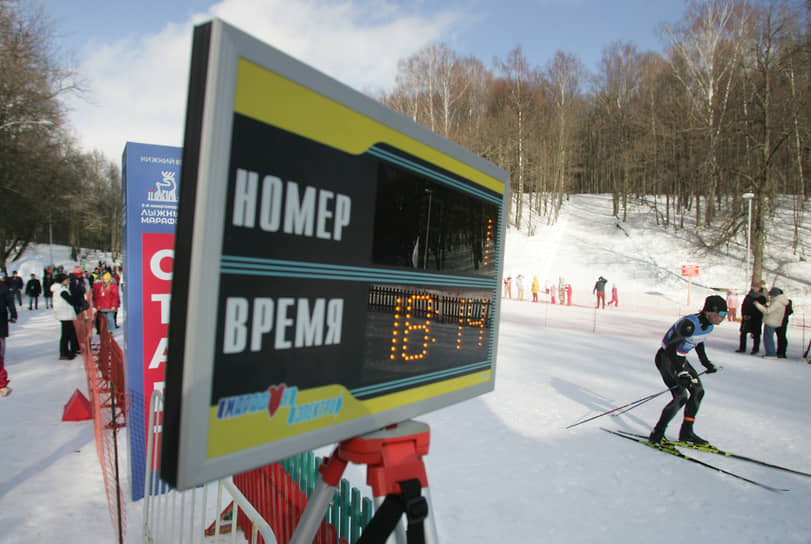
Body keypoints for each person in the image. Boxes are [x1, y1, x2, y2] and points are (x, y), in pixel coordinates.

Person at [648, 295, 726, 445]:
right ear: (709, 312)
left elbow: (698, 342)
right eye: (721, 314)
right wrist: (680, 371)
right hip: (666, 358)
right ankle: (657, 434)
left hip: (679, 359)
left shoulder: (709, 325)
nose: (723, 318)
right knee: (680, 396)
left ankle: (686, 433)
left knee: (698, 391)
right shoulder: (688, 324)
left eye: (725, 314)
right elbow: (671, 349)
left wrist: (706, 363)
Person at [754, 287, 789, 360]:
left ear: (775, 295)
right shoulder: (781, 301)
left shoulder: (777, 302)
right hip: (775, 321)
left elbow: (767, 311)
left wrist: (758, 305)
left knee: (768, 338)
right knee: (768, 337)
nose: (770, 296)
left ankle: (771, 353)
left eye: (771, 295)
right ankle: (770, 352)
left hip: (771, 321)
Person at [52, 273, 79, 360]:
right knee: (67, 335)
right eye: (67, 279)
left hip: (64, 314)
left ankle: (71, 350)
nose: (68, 281)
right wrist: (78, 304)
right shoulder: (62, 290)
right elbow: (70, 300)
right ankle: (65, 353)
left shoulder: (60, 289)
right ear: (62, 281)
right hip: (65, 315)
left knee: (68, 334)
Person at [0, 273, 18, 397]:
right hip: (1, 317)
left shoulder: (4, 289)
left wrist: (13, 314)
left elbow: (10, 302)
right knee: (1, 340)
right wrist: (13, 315)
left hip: (1, 317)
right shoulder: (4, 288)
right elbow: (10, 302)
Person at [737, 281, 767, 355]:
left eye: (756, 287)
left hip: (756, 318)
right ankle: (742, 348)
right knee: (743, 333)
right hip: (746, 317)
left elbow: (761, 308)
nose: (754, 288)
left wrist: (752, 315)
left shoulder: (762, 297)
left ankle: (755, 349)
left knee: (756, 334)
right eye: (754, 287)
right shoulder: (749, 296)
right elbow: (744, 305)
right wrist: (744, 314)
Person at [776, 294, 793, 359]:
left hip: (782, 321)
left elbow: (790, 311)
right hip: (778, 320)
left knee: (781, 336)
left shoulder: (786, 302)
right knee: (780, 336)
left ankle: (781, 352)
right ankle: (780, 351)